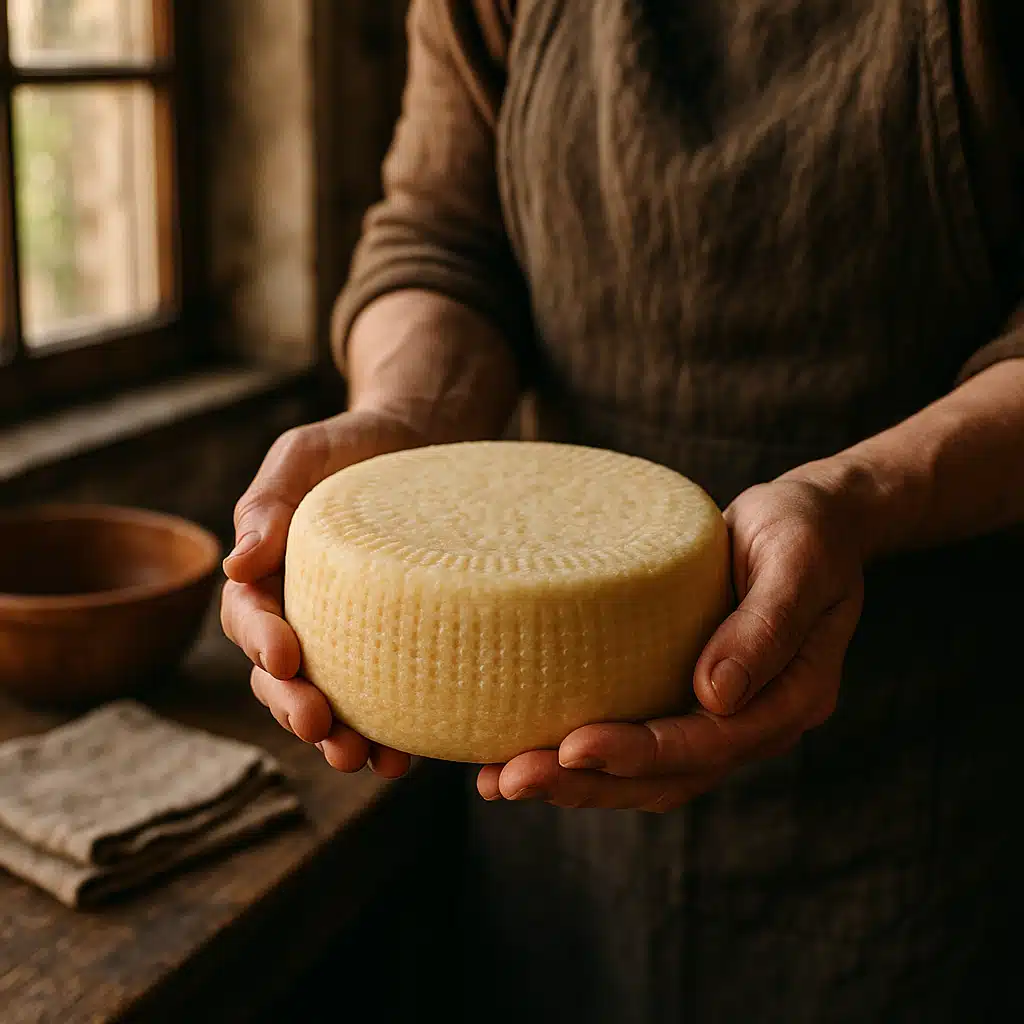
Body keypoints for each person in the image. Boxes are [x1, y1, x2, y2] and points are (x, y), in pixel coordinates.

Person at [221, 1, 1024, 1020]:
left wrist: (857, 499)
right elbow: (441, 235)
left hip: (919, 770)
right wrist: (401, 420)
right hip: (543, 751)